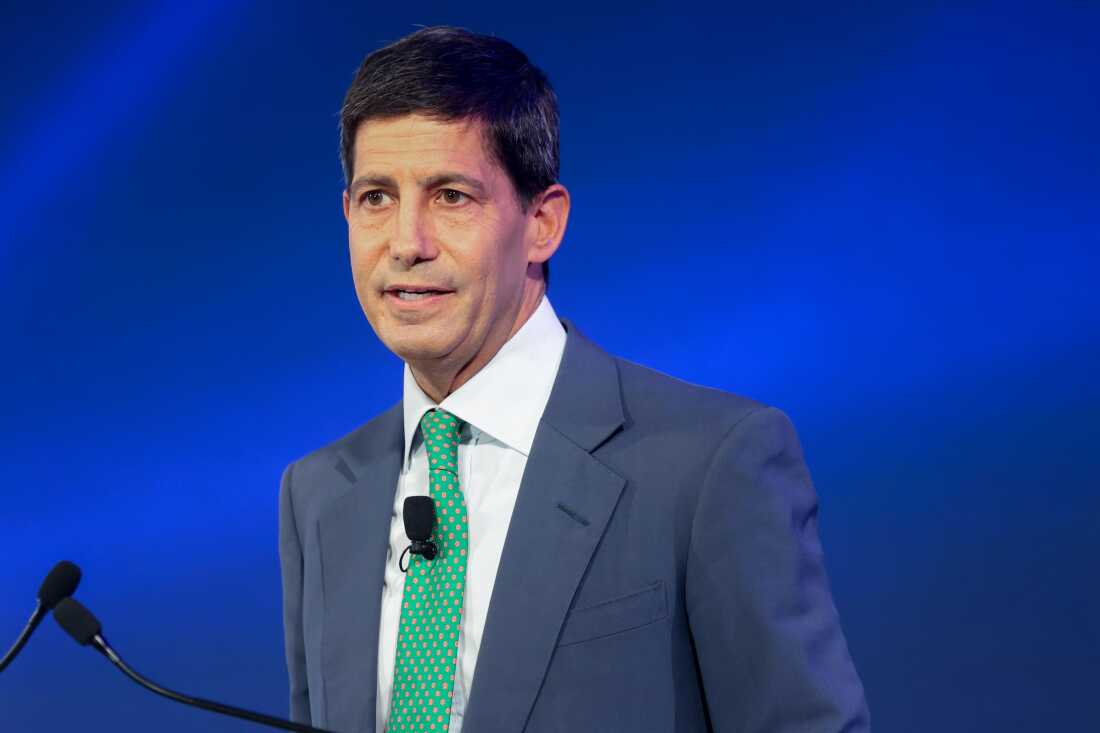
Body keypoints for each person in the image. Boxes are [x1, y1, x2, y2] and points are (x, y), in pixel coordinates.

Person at [278, 25, 870, 733]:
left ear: (542, 223)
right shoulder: (317, 494)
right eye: (377, 196)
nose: (407, 243)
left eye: (451, 196)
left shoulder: (710, 463)